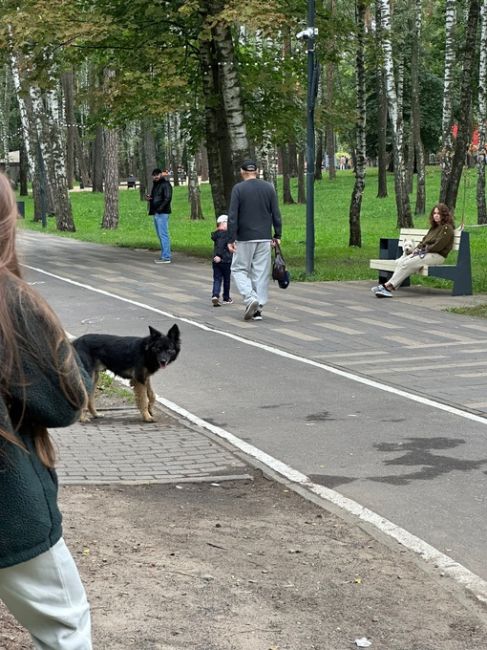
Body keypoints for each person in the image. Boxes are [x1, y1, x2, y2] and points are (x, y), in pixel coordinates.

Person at [0, 173, 93, 649]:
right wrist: (84, 360)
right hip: (7, 505)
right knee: (66, 628)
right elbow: (64, 401)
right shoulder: (9, 300)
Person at [227, 160, 282, 321]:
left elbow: (232, 216)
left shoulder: (238, 189)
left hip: (244, 237)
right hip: (264, 237)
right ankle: (258, 309)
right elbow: (276, 213)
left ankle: (250, 298)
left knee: (238, 269)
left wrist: (231, 238)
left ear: (242, 172)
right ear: (257, 171)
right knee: (261, 273)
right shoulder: (268, 188)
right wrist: (277, 235)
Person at [372, 203, 455, 298]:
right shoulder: (434, 227)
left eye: (439, 213)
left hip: (437, 256)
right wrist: (417, 249)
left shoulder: (447, 228)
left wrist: (422, 250)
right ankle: (387, 287)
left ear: (444, 215)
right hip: (426, 253)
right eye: (434, 213)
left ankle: (387, 287)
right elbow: (424, 241)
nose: (436, 215)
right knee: (402, 261)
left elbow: (438, 246)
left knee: (408, 263)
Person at [146, 168, 173, 264]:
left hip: (162, 213)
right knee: (160, 235)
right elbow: (156, 197)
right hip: (156, 212)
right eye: (154, 175)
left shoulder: (166, 185)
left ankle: (166, 256)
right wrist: (150, 199)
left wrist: (160, 209)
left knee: (163, 234)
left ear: (161, 175)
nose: (156, 177)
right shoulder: (156, 185)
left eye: (157, 175)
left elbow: (168, 198)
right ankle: (164, 255)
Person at [211, 214, 233, 307]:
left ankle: (215, 295)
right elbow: (220, 246)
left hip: (215, 261)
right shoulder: (224, 234)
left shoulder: (216, 234)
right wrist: (219, 255)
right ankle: (226, 297)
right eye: (228, 223)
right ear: (223, 223)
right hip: (225, 260)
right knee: (226, 280)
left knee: (217, 279)